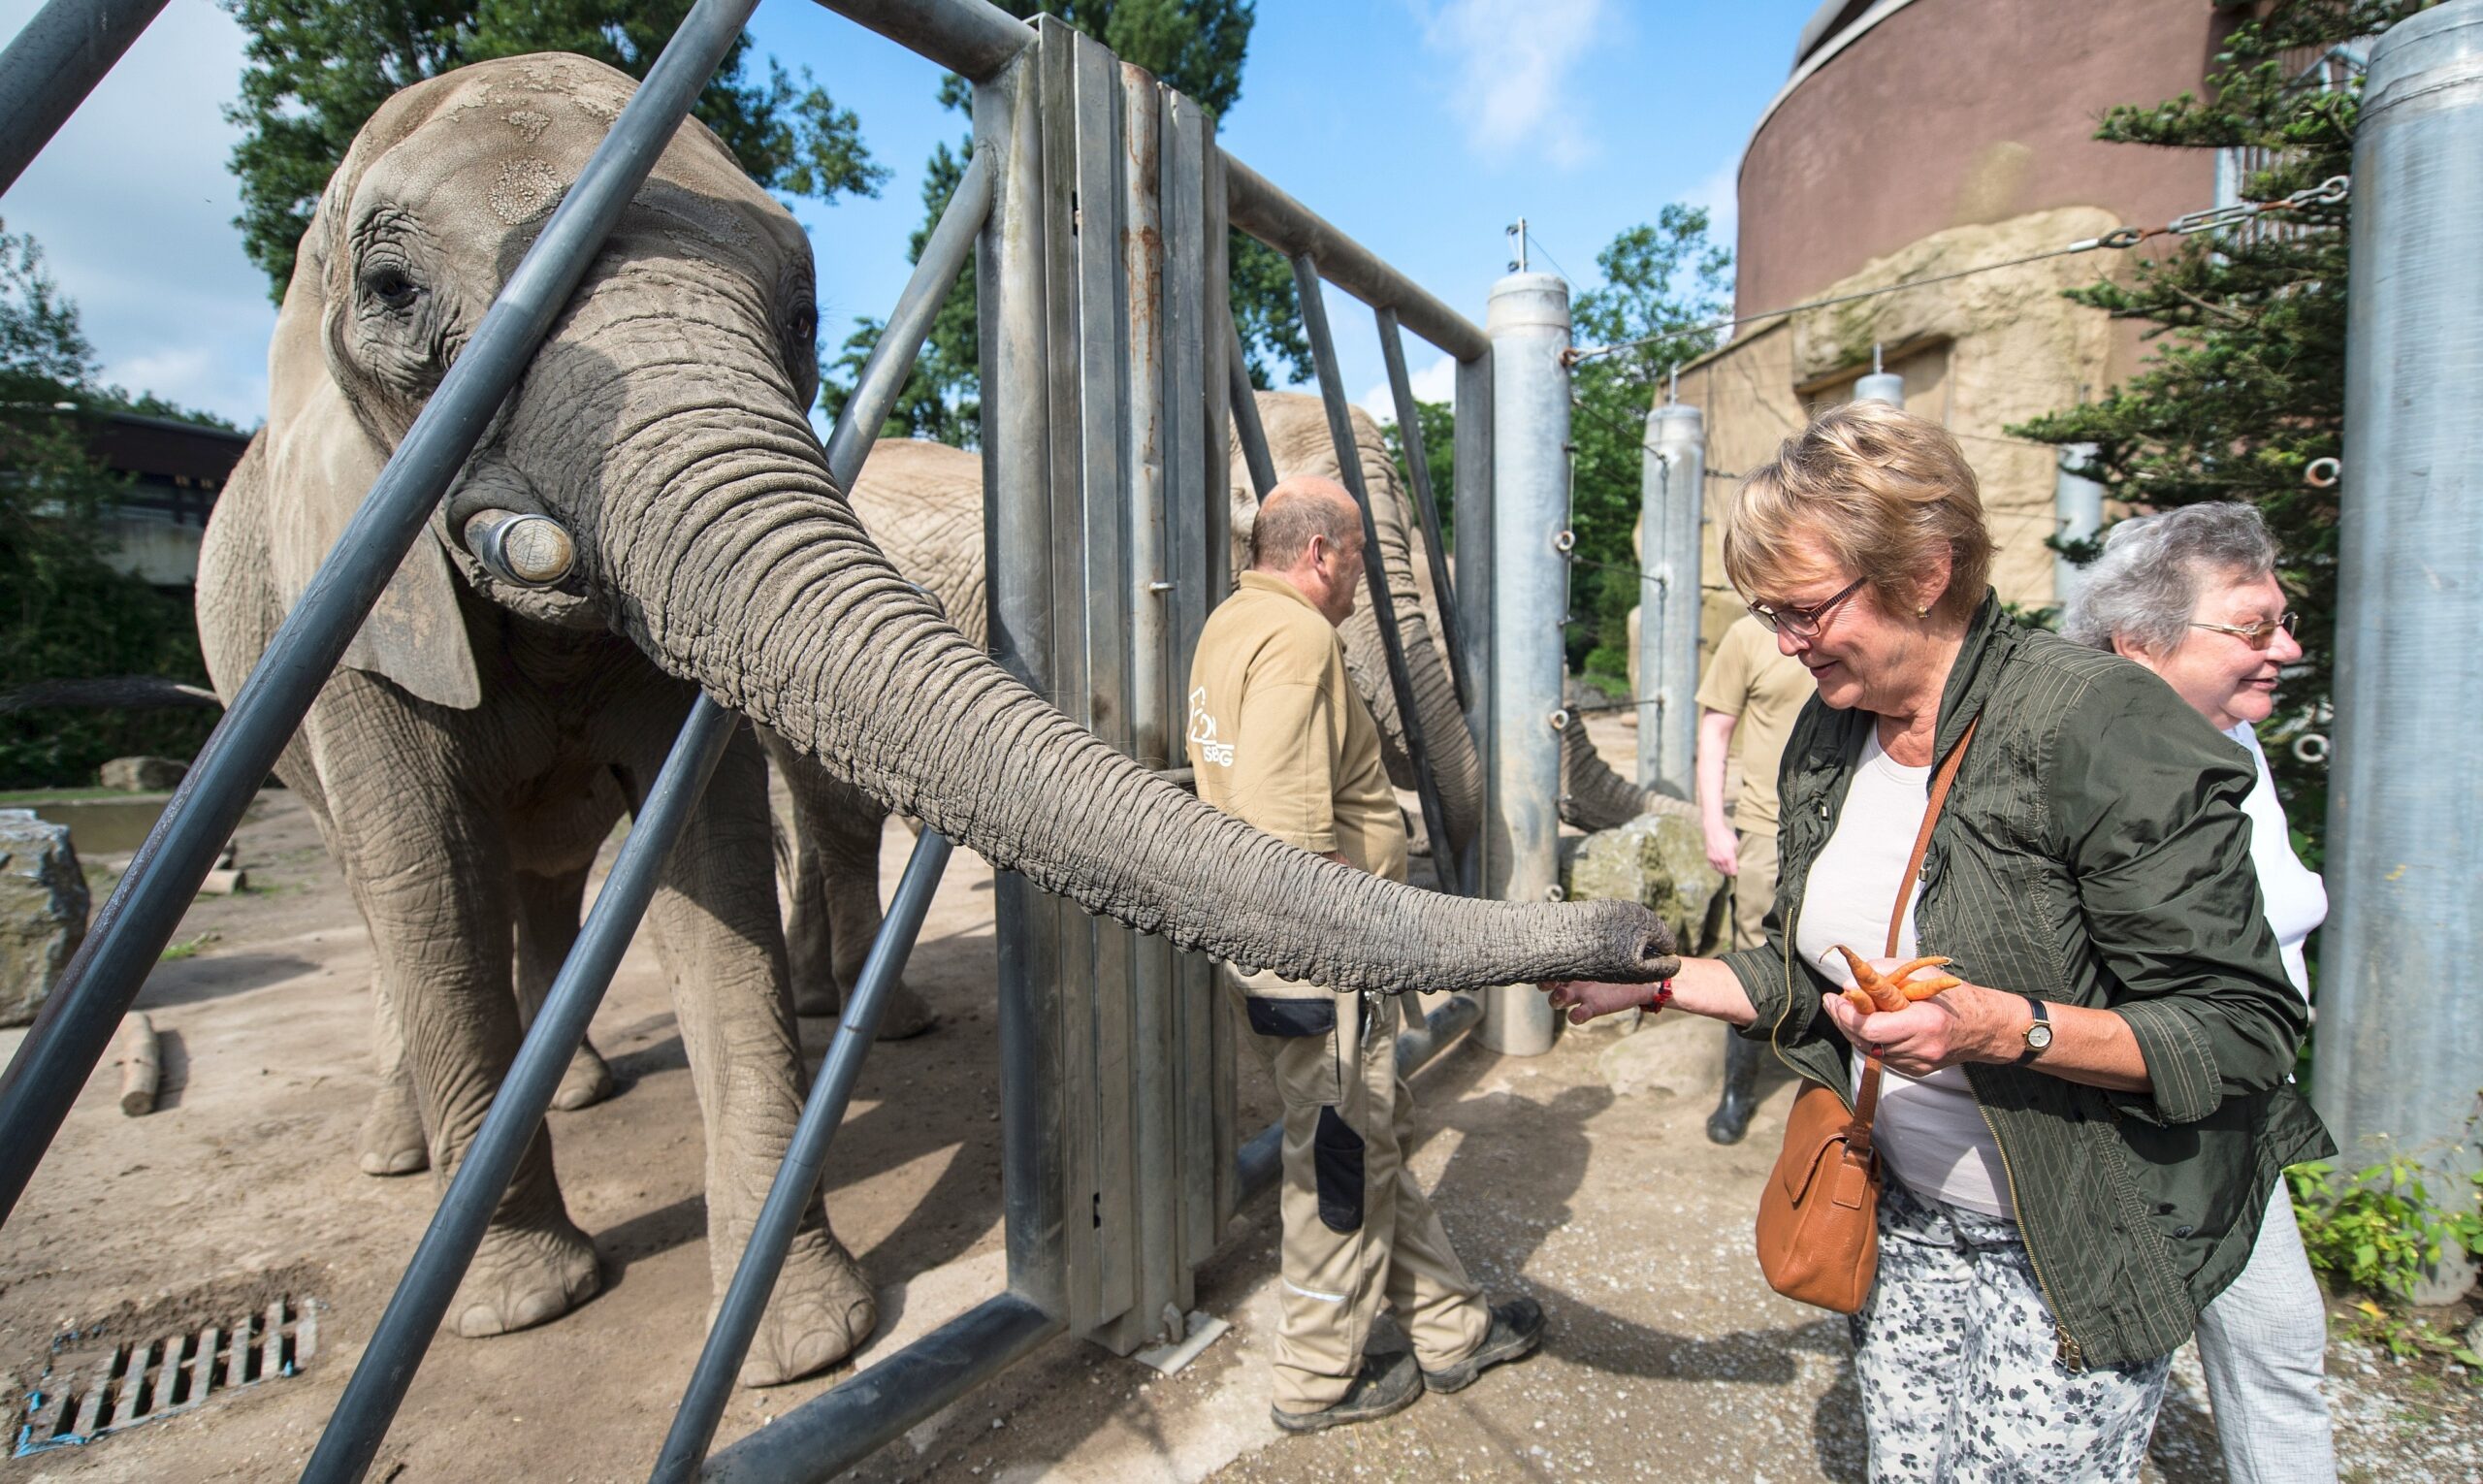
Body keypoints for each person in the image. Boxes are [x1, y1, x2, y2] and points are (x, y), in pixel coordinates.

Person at [1542, 403, 2331, 1482]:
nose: (1784, 641)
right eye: (1767, 613)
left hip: (2070, 1237)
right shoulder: (1833, 723)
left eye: (1805, 607)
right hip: (1905, 1215)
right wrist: (1656, 987)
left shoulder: (2098, 723)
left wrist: (2002, 1027)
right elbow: (1808, 966)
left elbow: (2240, 1030)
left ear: (1925, 568)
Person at [1187, 475, 1542, 1433]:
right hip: (1318, 962)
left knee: (1365, 1136)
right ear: (1322, 554)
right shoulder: (1300, 639)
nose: (1358, 582)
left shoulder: (1230, 622)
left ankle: (1451, 1329)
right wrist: (1351, 906)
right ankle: (1316, 1380)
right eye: (1358, 561)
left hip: (1260, 951)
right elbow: (1278, 820)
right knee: (1339, 1164)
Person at [2064, 502, 2335, 1484]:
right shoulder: (2097, 763)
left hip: (2230, 1104)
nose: (2287, 650)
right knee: (2091, 1379)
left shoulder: (2232, 744)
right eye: (2253, 628)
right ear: (2140, 643)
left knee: (2276, 1344)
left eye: (2282, 619)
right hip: (2139, 1111)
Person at [1694, 612, 1815, 1144]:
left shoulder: (1852, 621)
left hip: (1845, 820)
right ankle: (1738, 1091)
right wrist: (1714, 824)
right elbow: (1715, 730)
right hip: (1766, 824)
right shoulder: (1748, 634)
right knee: (1752, 953)